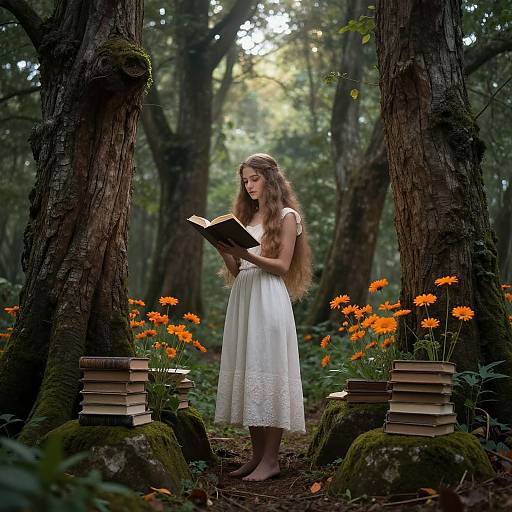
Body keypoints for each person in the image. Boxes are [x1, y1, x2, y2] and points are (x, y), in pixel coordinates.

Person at [214, 153, 312, 482]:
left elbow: (283, 267)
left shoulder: (286, 216)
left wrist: (244, 254)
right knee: (252, 372)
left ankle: (272, 460)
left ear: (270, 179)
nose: (249, 185)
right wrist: (227, 253)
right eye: (245, 180)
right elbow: (238, 268)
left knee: (269, 372)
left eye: (254, 179)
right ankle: (256, 457)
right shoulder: (249, 218)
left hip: (269, 299)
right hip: (244, 298)